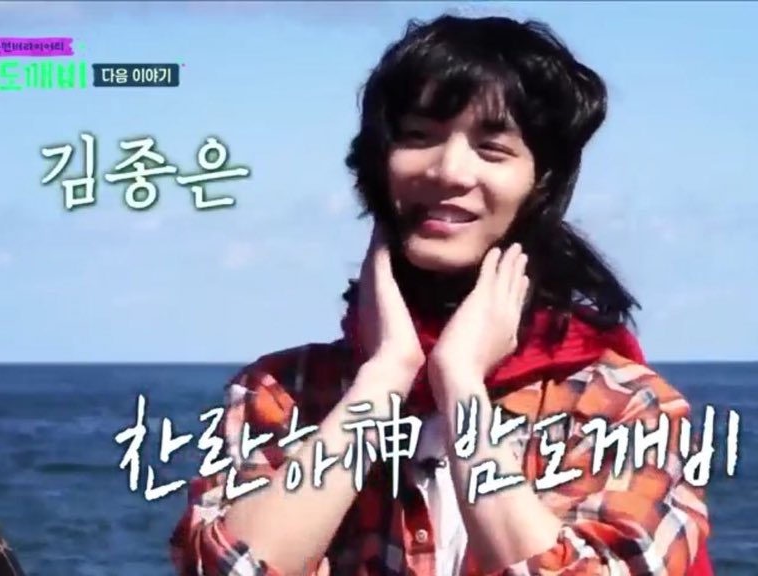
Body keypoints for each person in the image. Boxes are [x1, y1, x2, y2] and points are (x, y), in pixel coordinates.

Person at [170, 14, 713, 576]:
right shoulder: (285, 392)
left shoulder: (622, 405)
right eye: (418, 137)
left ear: (541, 183)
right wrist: (384, 377)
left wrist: (459, 384)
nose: (450, 171)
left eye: (492, 148)